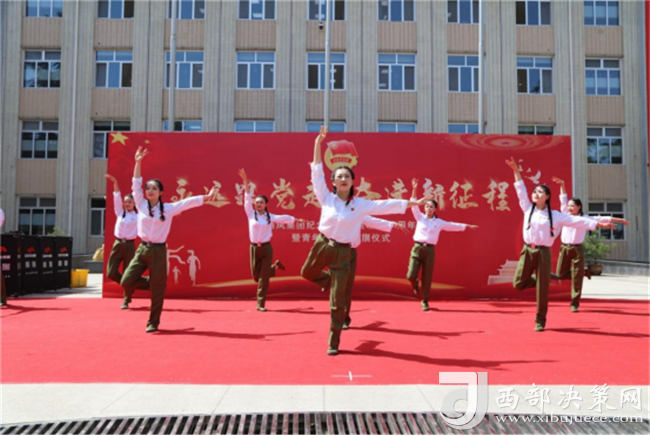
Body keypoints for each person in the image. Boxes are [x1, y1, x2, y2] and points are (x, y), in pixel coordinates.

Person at [301, 127, 433, 355]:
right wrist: (317, 143)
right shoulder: (326, 197)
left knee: (337, 301)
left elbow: (386, 205)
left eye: (347, 176)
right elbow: (316, 172)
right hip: (321, 245)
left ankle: (334, 341)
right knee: (306, 272)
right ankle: (330, 282)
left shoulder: (360, 204)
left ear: (353, 181)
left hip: (343, 253)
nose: (343, 179)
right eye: (339, 176)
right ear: (333, 182)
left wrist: (415, 203)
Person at [505, 157, 613, 331]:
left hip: (543, 253)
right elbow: (520, 190)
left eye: (540, 192)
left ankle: (540, 320)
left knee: (542, 290)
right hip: (527, 251)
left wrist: (599, 224)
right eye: (534, 192)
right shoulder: (527, 208)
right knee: (518, 283)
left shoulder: (556, 215)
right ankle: (546, 278)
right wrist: (516, 171)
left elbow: (577, 221)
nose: (535, 194)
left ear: (547, 196)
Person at [120, 147, 218, 333]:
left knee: (157, 292)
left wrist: (206, 197)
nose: (150, 190)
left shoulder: (169, 209)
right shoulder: (140, 204)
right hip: (142, 250)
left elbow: (187, 203)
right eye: (148, 188)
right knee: (126, 281)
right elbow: (135, 184)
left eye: (154, 188)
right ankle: (154, 282)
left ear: (160, 192)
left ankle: (153, 322)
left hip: (158, 251)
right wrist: (138, 162)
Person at [552, 177, 627, 312]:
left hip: (577, 249)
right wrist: (562, 184)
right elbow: (563, 198)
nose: (569, 208)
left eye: (572, 206)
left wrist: (620, 220)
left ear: (579, 207)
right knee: (560, 274)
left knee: (576, 279)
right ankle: (583, 272)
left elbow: (602, 218)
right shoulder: (565, 215)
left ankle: (574, 303)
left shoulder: (585, 218)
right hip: (564, 248)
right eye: (568, 206)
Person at [407, 178, 478, 311]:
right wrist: (414, 189)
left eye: (431, 207)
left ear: (435, 209)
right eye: (427, 206)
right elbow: (414, 204)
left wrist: (466, 226)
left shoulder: (439, 222)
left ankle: (424, 301)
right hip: (417, 248)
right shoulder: (419, 217)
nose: (428, 208)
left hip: (429, 251)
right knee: (410, 275)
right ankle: (414, 283)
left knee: (427, 278)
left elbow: (452, 225)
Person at [238, 168, 300, 311]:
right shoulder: (250, 214)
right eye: (257, 202)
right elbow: (247, 197)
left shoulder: (269, 217)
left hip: (266, 249)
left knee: (263, 278)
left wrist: (295, 219)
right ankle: (276, 267)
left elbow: (283, 218)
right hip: (254, 248)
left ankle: (260, 304)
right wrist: (245, 181)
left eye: (261, 202)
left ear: (266, 204)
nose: (258, 204)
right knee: (256, 277)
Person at [104, 174, 139, 289]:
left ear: (134, 203)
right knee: (111, 272)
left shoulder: (138, 217)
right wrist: (115, 182)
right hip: (118, 244)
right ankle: (126, 283)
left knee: (128, 272)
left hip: (130, 245)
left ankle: (127, 294)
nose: (127, 204)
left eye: (130, 202)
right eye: (126, 202)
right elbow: (117, 197)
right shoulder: (120, 212)